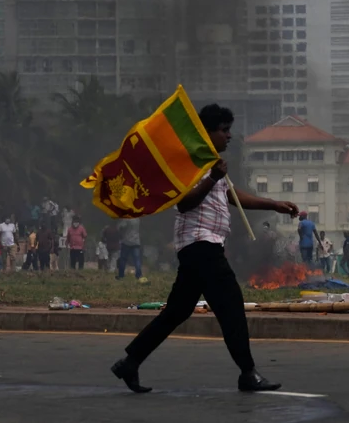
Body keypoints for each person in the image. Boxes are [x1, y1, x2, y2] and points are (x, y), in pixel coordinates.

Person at [111, 103, 299, 394]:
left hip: (200, 247)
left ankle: (130, 362)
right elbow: (184, 202)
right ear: (206, 133)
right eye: (224, 131)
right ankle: (248, 374)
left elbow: (234, 197)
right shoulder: (190, 164)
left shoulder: (211, 163)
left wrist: (274, 205)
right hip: (201, 245)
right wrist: (212, 176)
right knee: (231, 306)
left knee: (177, 311)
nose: (229, 136)